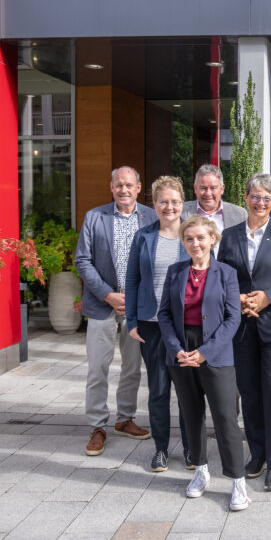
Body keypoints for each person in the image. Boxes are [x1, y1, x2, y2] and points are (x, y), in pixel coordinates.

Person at [217, 174, 271, 492]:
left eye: (267, 198)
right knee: (250, 393)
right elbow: (221, 277)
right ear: (245, 197)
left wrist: (269, 296)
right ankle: (257, 455)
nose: (261, 202)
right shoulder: (228, 236)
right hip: (240, 327)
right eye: (255, 196)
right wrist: (236, 299)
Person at [156, 216, 249, 509]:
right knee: (191, 415)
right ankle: (200, 471)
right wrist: (175, 348)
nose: (195, 243)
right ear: (184, 243)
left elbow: (233, 317)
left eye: (200, 238)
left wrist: (207, 351)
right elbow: (165, 315)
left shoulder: (226, 273)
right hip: (182, 352)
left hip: (215, 352)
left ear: (212, 239)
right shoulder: (175, 272)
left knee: (225, 417)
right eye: (189, 239)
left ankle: (238, 482)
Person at [76, 166, 158, 456]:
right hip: (102, 306)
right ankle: (98, 425)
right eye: (118, 185)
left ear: (139, 188)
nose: (124, 190)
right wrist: (108, 295)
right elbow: (83, 260)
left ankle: (125, 418)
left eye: (129, 185)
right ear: (111, 188)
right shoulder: (94, 217)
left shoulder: (152, 216)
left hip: (137, 309)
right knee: (98, 368)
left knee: (132, 368)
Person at [125, 176, 191, 473]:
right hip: (151, 324)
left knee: (188, 391)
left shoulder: (192, 234)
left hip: (185, 325)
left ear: (182, 203)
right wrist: (131, 320)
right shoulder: (143, 236)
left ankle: (192, 449)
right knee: (159, 390)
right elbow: (132, 280)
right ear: (154, 204)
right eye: (163, 201)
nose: (170, 207)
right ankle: (161, 449)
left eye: (175, 201)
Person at [181, 163, 248, 231]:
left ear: (222, 189)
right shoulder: (181, 211)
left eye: (213, 188)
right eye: (203, 188)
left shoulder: (240, 215)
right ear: (195, 189)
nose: (208, 193)